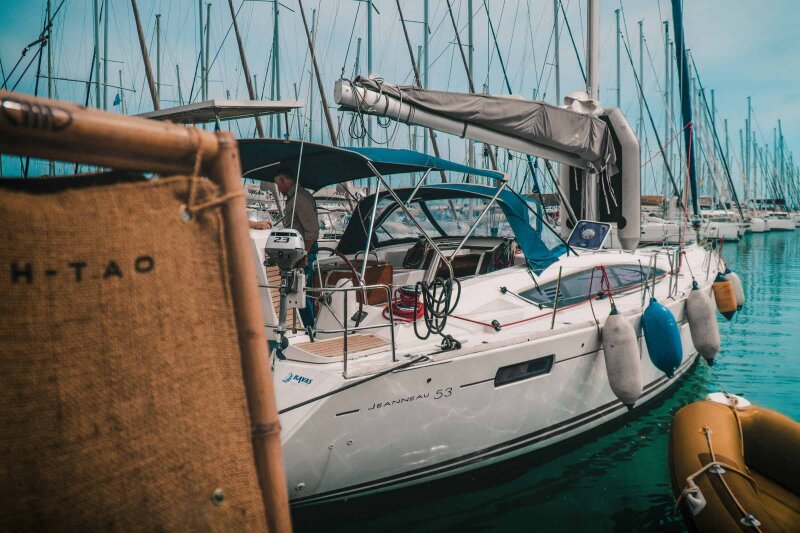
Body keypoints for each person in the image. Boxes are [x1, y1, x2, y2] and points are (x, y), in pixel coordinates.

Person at [274, 167, 319, 327]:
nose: (278, 189)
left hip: (304, 252)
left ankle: (309, 329)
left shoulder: (300, 198)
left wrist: (305, 255)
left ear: (283, 181)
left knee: (300, 293)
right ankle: (303, 327)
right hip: (296, 253)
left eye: (278, 185)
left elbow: (312, 231)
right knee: (296, 291)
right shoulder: (296, 197)